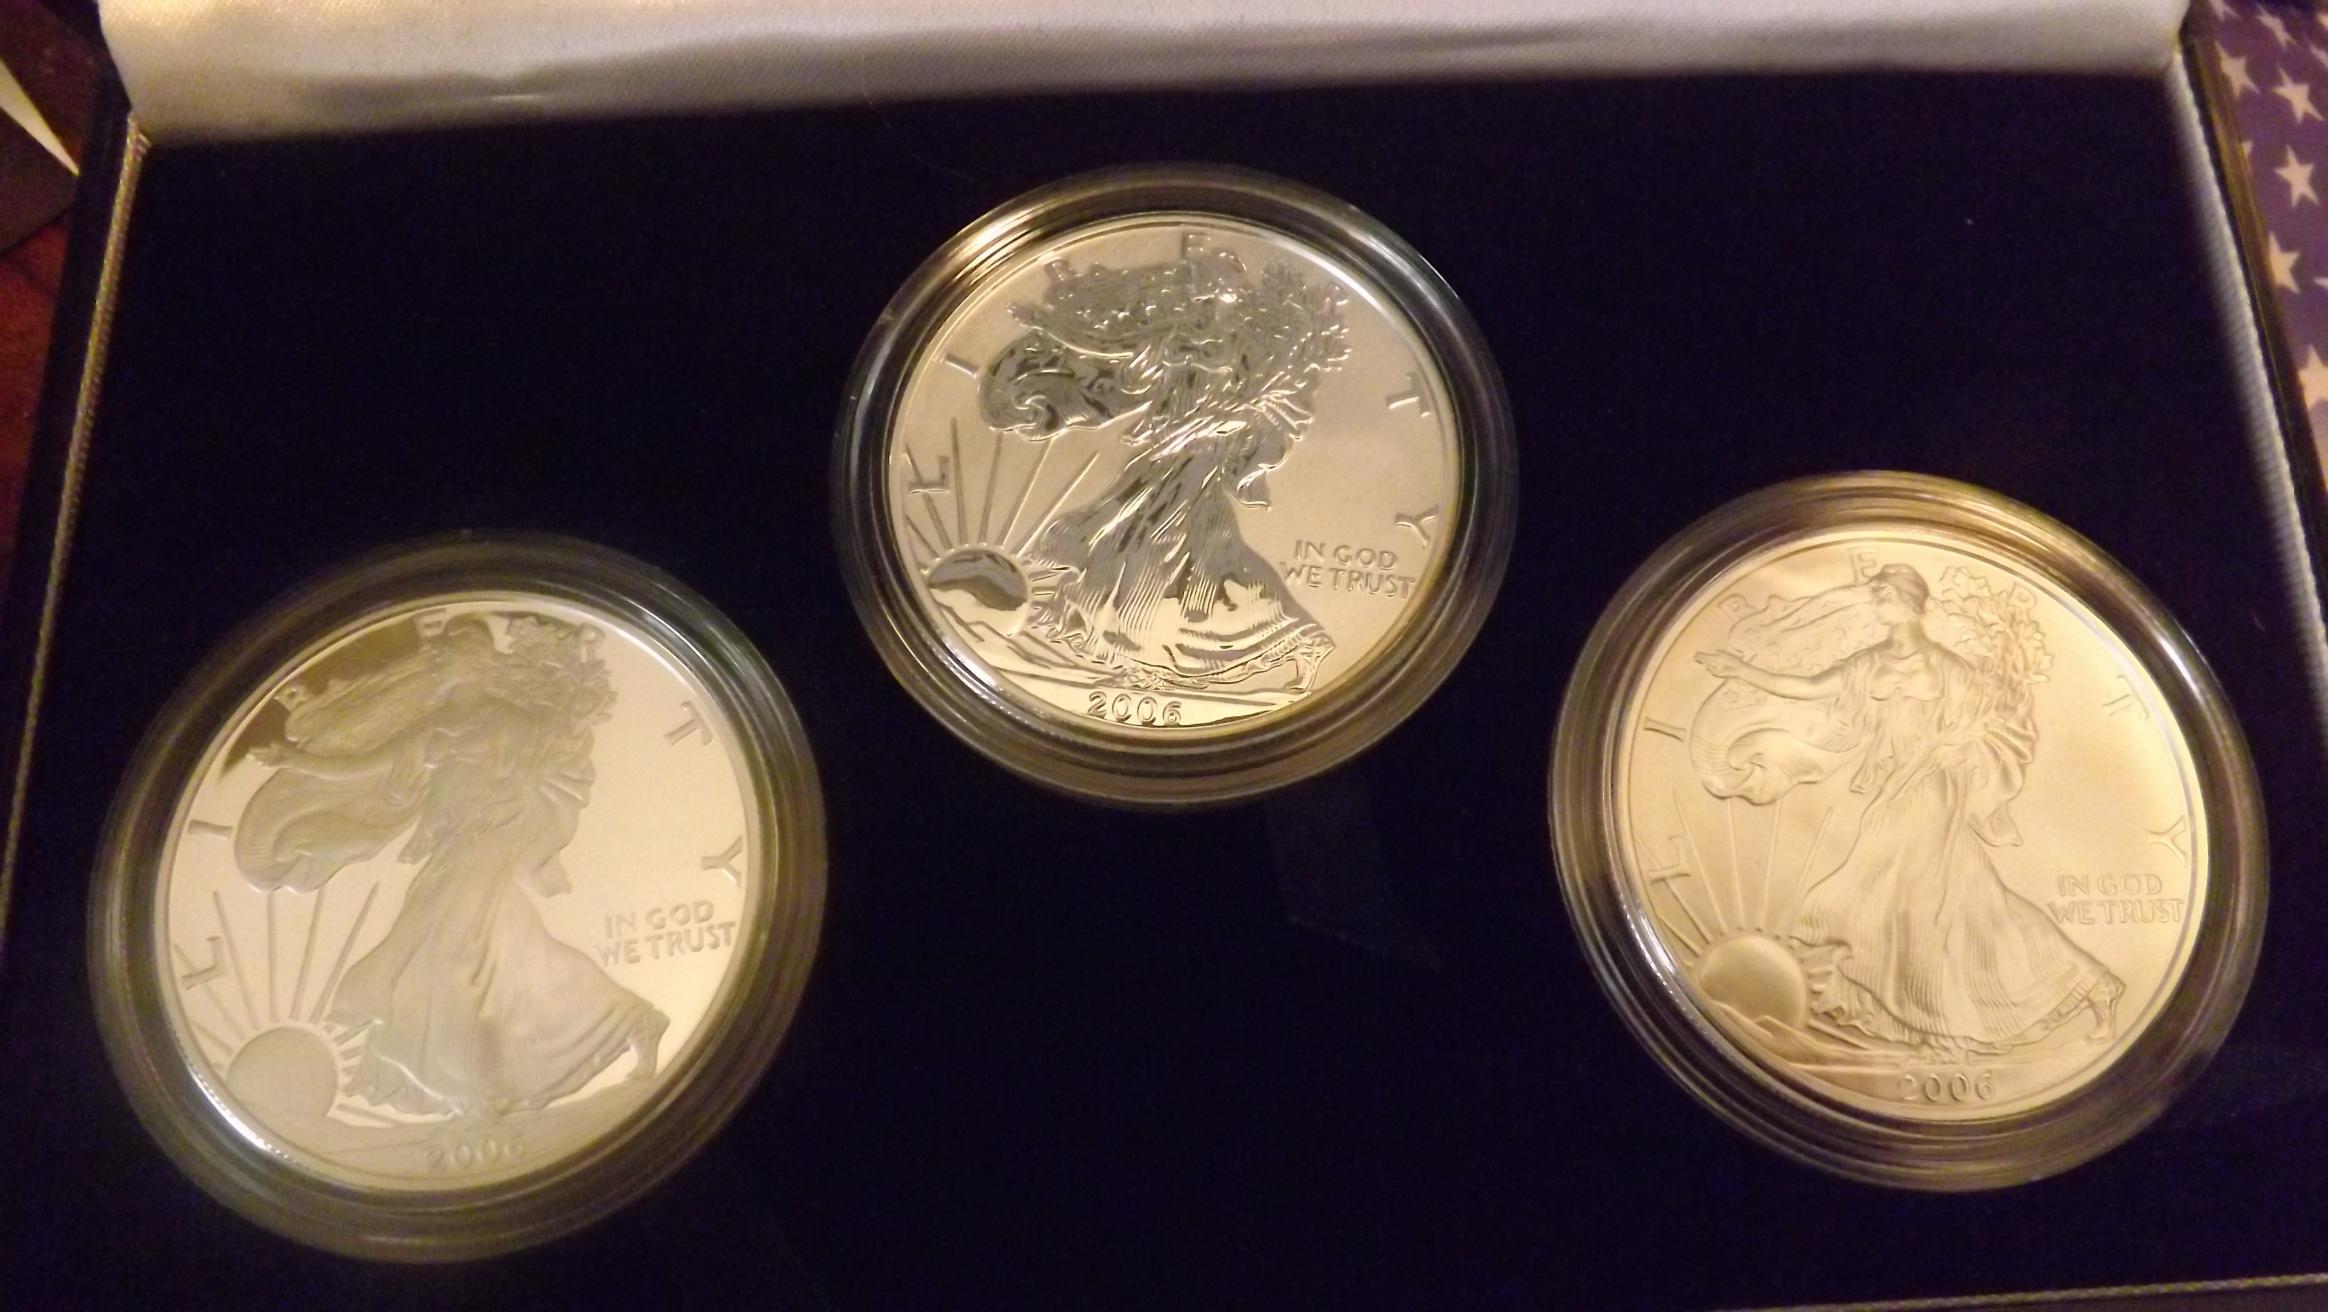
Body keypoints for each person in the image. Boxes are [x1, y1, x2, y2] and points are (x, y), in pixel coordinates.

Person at [235, 614, 666, 1118]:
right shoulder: (434, 725)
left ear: (478, 663)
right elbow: (368, 764)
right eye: (445, 656)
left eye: (453, 655)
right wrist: (296, 761)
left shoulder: (513, 721)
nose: (443, 663)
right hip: (450, 846)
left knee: (443, 946)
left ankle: (470, 1085)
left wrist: (524, 823)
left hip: (491, 842)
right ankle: (633, 1021)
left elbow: (551, 770)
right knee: (525, 954)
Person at [1694, 565, 2120, 1058]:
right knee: (1968, 905)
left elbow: (1990, 727)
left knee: (1906, 901)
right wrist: (1743, 671)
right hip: (1892, 793)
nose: (1876, 603)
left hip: (1932, 793)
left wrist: (1953, 750)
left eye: (1884, 595)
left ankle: (1944, 1026)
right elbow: (1810, 687)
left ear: (1910, 602)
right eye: (1875, 595)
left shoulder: (1950, 670)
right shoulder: (1868, 664)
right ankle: (2091, 988)